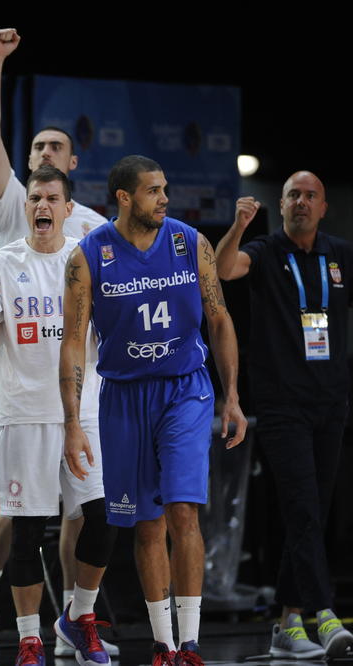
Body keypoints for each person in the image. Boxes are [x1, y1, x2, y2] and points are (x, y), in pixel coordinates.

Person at [60, 155, 247, 666]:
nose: (164, 198)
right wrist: (74, 421)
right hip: (123, 394)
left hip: (186, 387)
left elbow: (220, 319)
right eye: (153, 190)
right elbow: (73, 344)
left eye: (165, 188)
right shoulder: (88, 256)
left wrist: (231, 396)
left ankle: (189, 644)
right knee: (146, 524)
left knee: (183, 510)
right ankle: (162, 645)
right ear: (123, 198)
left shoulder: (191, 243)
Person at [0, 33, 115, 657]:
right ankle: (24, 631)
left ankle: (74, 622)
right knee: (26, 522)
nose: (41, 202)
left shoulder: (94, 240)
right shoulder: (5, 240)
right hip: (23, 402)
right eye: (36, 158)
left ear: (69, 186)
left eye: (51, 192)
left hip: (84, 404)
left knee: (95, 517)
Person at [214, 172, 353, 659]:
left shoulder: (338, 254)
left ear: (323, 206)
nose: (301, 202)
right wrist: (237, 225)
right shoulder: (268, 250)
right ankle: (324, 613)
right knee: (301, 508)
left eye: (311, 195)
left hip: (330, 404)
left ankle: (288, 625)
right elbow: (223, 268)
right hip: (281, 404)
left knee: (311, 512)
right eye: (293, 194)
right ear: (282, 202)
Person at [0, 28, 107, 247]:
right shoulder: (12, 201)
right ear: (29, 160)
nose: (46, 151)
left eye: (56, 147)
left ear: (73, 161)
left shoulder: (96, 225)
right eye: (39, 147)